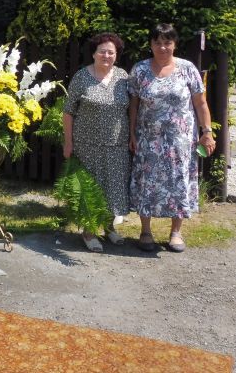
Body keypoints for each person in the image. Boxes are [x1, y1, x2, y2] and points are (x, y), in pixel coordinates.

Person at [128, 23, 216, 253]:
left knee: (179, 182)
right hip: (148, 139)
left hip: (180, 141)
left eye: (167, 42)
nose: (162, 47)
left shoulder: (188, 69)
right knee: (147, 182)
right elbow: (134, 105)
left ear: (174, 44)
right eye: (157, 42)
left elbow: (200, 103)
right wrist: (132, 132)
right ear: (150, 44)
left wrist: (207, 132)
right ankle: (145, 231)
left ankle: (176, 232)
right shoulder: (140, 70)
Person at [63, 32, 132, 252]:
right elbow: (68, 111)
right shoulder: (82, 77)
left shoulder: (123, 77)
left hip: (117, 145)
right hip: (87, 145)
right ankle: (89, 232)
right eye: (102, 51)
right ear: (94, 53)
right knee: (90, 190)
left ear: (116, 55)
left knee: (113, 188)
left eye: (111, 52)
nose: (107, 56)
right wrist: (68, 142)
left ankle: (109, 228)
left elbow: (132, 108)